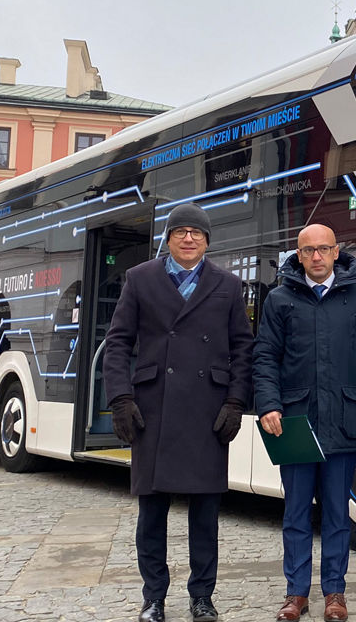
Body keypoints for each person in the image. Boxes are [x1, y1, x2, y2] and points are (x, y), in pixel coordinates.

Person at [102, 203, 254, 622]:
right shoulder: (140, 279)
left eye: (197, 233)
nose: (189, 238)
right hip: (152, 410)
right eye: (181, 231)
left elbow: (243, 348)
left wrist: (236, 401)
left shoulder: (227, 284)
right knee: (151, 513)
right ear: (167, 238)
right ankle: (153, 598)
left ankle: (202, 597)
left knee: (205, 515)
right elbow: (117, 344)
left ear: (208, 241)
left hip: (208, 411)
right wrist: (120, 399)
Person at [254, 223, 356, 622]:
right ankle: (296, 594)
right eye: (308, 250)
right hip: (294, 422)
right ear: (298, 255)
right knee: (295, 514)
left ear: (335, 252)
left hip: (344, 419)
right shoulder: (279, 299)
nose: (315, 257)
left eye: (323, 249)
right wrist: (268, 404)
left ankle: (335, 593)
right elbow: (265, 358)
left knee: (336, 515)